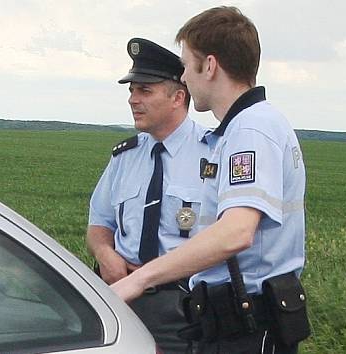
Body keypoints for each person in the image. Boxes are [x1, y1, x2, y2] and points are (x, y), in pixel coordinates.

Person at [111, 6, 309, 354]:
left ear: (210, 66)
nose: (184, 78)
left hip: (245, 324)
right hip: (237, 319)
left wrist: (139, 279)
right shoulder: (248, 126)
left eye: (187, 65)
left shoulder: (250, 129)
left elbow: (236, 232)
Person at [87, 38, 209, 353]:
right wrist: (106, 255)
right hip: (122, 300)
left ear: (178, 97)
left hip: (184, 306)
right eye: (131, 90)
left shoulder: (212, 157)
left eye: (145, 91)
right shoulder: (124, 157)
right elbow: (99, 223)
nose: (132, 100)